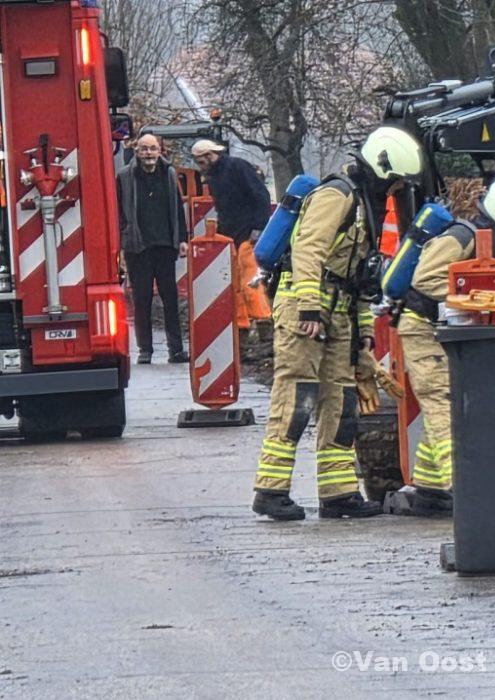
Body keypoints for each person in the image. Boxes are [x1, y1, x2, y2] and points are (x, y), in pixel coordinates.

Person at [250, 126, 423, 521]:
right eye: (395, 181)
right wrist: (310, 307)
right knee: (297, 398)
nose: (396, 190)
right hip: (305, 313)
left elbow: (358, 277)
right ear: (383, 167)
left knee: (341, 403)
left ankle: (339, 493)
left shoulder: (365, 203)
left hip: (339, 313)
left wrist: (364, 333)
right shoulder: (338, 194)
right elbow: (308, 248)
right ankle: (270, 490)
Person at [392, 175, 495, 515]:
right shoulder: (460, 237)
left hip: (442, 329)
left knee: (446, 399)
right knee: (442, 404)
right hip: (422, 329)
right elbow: (425, 280)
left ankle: (430, 490)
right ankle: (464, 489)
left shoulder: (483, 239)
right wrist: (474, 300)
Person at [116, 134, 190, 364]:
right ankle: (145, 350)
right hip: (138, 247)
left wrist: (182, 239)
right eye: (144, 149)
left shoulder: (168, 174)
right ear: (136, 151)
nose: (149, 153)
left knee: (170, 298)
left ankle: (176, 350)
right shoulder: (125, 177)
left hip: (165, 246)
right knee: (141, 299)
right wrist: (121, 240)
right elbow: (118, 210)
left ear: (160, 151)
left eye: (153, 149)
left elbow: (177, 207)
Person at [191, 139, 273, 332]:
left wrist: (258, 230)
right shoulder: (217, 175)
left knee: (249, 279)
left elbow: (261, 197)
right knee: (234, 281)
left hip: (247, 234)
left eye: (201, 162)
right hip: (232, 236)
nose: (200, 166)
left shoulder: (237, 167)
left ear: (210, 155)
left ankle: (263, 321)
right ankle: (242, 323)